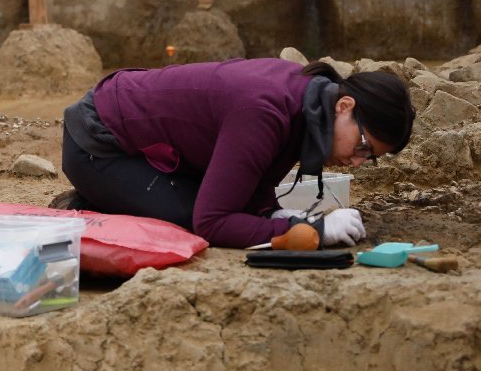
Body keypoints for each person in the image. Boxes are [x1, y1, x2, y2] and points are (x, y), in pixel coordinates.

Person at [58, 58, 415, 249]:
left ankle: (120, 193)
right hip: (97, 144)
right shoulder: (266, 110)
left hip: (155, 150)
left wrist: (275, 211)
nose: (357, 161)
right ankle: (94, 196)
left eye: (370, 158)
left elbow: (252, 179)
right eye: (363, 146)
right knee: (192, 220)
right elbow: (212, 222)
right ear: (345, 106)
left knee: (235, 208)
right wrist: (309, 228)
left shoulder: (307, 104)